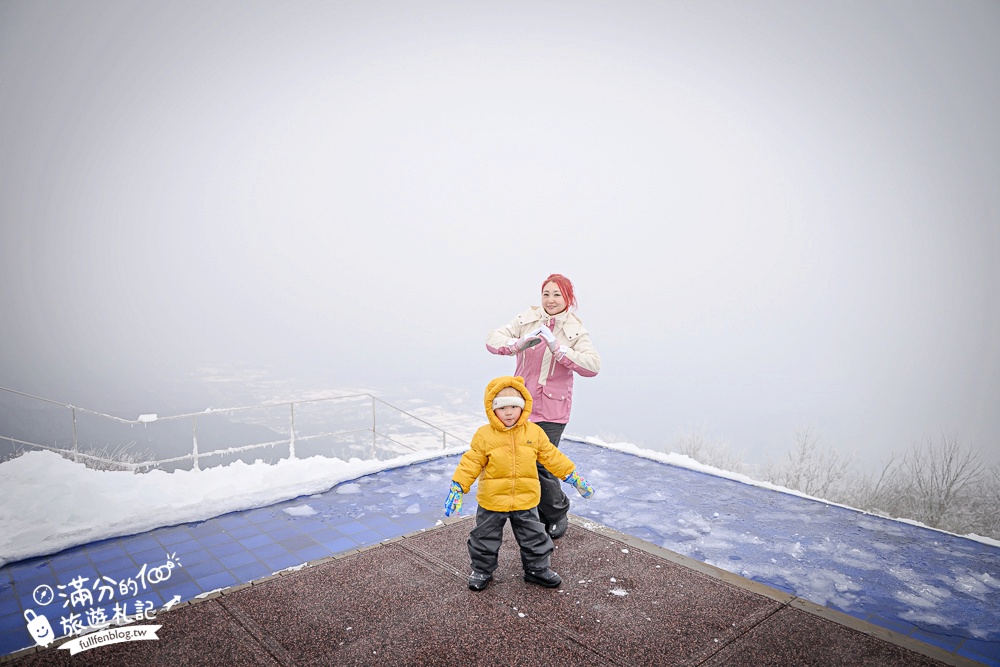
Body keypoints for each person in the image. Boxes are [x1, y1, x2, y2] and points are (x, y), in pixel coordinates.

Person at [443, 376, 595, 591]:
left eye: (515, 406)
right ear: (491, 409)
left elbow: (552, 456)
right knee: (484, 538)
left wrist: (572, 476)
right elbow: (471, 462)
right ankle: (482, 570)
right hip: (492, 501)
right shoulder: (484, 435)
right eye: (502, 407)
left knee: (535, 537)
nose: (509, 412)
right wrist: (458, 487)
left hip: (525, 499)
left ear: (524, 406)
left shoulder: (534, 432)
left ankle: (537, 569)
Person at [485, 273, 600, 540]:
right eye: (546, 294)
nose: (550, 299)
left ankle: (558, 511)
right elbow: (493, 338)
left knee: (543, 463)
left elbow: (592, 366)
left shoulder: (574, 330)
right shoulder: (528, 319)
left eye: (557, 294)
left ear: (568, 298)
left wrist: (558, 348)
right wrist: (517, 343)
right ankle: (537, 511)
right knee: (522, 460)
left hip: (552, 410)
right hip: (521, 405)